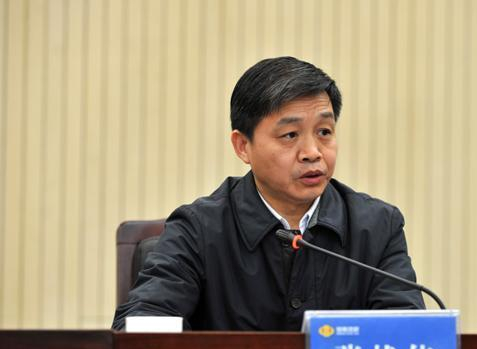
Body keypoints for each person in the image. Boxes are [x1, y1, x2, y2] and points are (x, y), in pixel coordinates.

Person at [112, 56, 425, 331]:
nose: (313, 152)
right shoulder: (198, 230)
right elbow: (140, 327)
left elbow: (408, 338)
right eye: (290, 135)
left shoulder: (377, 226)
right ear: (242, 146)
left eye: (324, 132)